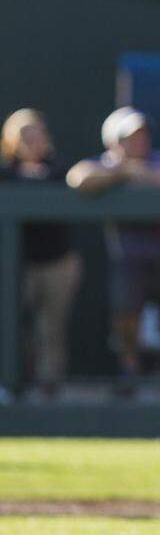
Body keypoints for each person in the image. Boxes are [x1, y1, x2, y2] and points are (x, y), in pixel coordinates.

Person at [67, 107, 160, 392]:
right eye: (130, 137)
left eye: (142, 136)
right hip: (129, 259)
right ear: (113, 141)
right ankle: (129, 373)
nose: (139, 142)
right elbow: (78, 179)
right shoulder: (108, 164)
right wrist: (123, 170)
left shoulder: (159, 161)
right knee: (125, 314)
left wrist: (136, 172)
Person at [0, 109, 82, 400]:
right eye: (25, 135)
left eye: (37, 134)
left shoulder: (61, 170)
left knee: (51, 329)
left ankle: (49, 390)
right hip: (16, 265)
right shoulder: (5, 173)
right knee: (12, 326)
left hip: (58, 261)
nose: (33, 141)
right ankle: (12, 384)